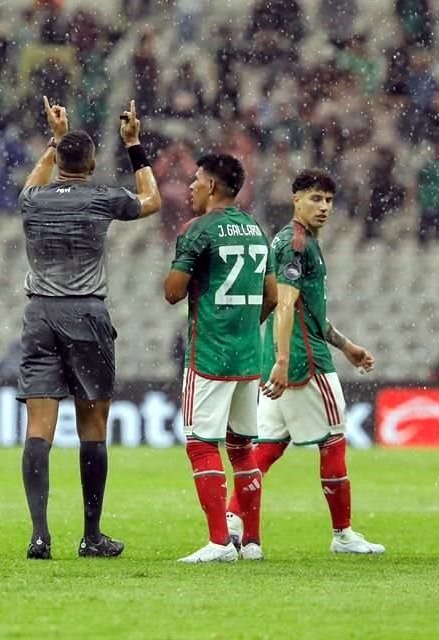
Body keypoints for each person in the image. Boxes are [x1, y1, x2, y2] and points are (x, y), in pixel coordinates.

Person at [19, 97, 161, 560]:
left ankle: (40, 535)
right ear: (95, 162)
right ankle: (91, 535)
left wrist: (55, 140)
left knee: (38, 429)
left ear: (58, 159)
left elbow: (36, 181)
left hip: (40, 313)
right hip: (86, 314)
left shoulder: (33, 199)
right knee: (92, 427)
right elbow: (153, 201)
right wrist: (134, 144)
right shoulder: (102, 196)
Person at [225, 169, 385, 556]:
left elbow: (309, 310)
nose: (324, 207)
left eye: (329, 200)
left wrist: (346, 346)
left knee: (266, 448)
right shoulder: (296, 243)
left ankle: (232, 520)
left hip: (285, 357)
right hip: (304, 361)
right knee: (333, 440)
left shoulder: (294, 240)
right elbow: (286, 304)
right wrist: (283, 360)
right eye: (315, 198)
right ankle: (343, 534)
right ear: (296, 199)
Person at [164, 153, 278, 564]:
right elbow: (272, 296)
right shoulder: (255, 230)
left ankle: (217, 542)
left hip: (209, 353)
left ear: (212, 186)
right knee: (243, 448)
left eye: (196, 180)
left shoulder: (199, 230)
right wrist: (246, 326)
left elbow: (173, 291)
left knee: (200, 444)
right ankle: (251, 542)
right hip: (250, 354)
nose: (191, 186)